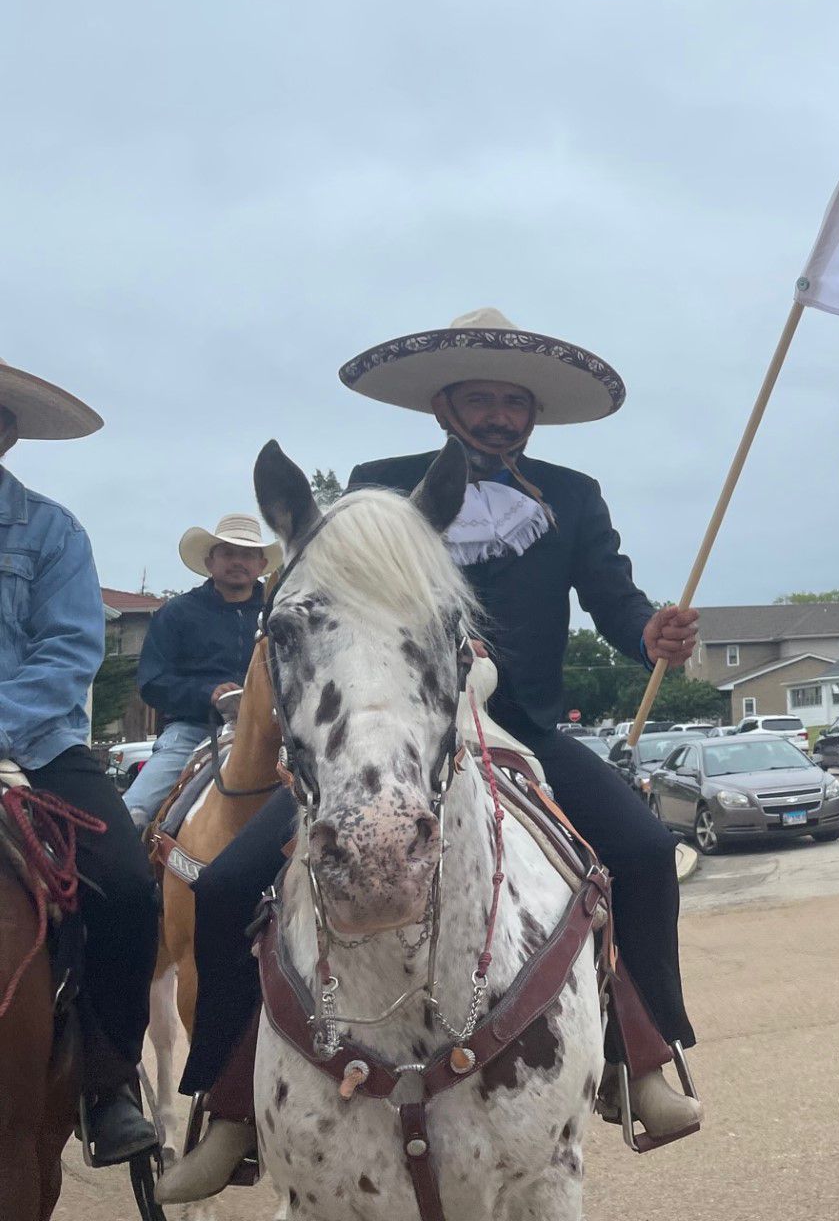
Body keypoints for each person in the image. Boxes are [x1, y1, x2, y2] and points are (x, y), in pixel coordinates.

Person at [163, 309, 703, 1202]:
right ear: (444, 404)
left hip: (522, 725)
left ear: (533, 415)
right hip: (393, 729)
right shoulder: (379, 488)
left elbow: (613, 597)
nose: (500, 417)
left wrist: (650, 632)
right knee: (223, 890)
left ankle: (646, 1059)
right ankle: (224, 1106)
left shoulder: (574, 494)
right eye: (482, 400)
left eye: (514, 404)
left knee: (644, 854)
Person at [0, 354, 160, 1162]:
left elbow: (67, 652)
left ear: (8, 433)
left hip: (33, 743)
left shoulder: (53, 532)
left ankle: (107, 1082)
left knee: (130, 888)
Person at [122, 513, 278, 826]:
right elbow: (153, 681)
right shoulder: (178, 612)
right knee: (132, 813)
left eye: (247, 554)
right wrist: (207, 693)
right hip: (192, 731)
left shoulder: (277, 611)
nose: (238, 561)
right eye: (228, 553)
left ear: (261, 564)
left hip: (270, 732)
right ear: (210, 562)